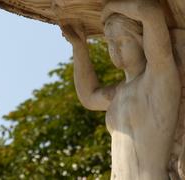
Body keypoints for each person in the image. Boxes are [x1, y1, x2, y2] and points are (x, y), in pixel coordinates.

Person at [60, 0, 181, 179]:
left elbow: (150, 12)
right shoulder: (117, 94)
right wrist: (79, 47)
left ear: (141, 40)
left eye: (123, 41)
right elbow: (89, 96)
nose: (115, 49)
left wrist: (110, 7)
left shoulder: (158, 79)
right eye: (110, 42)